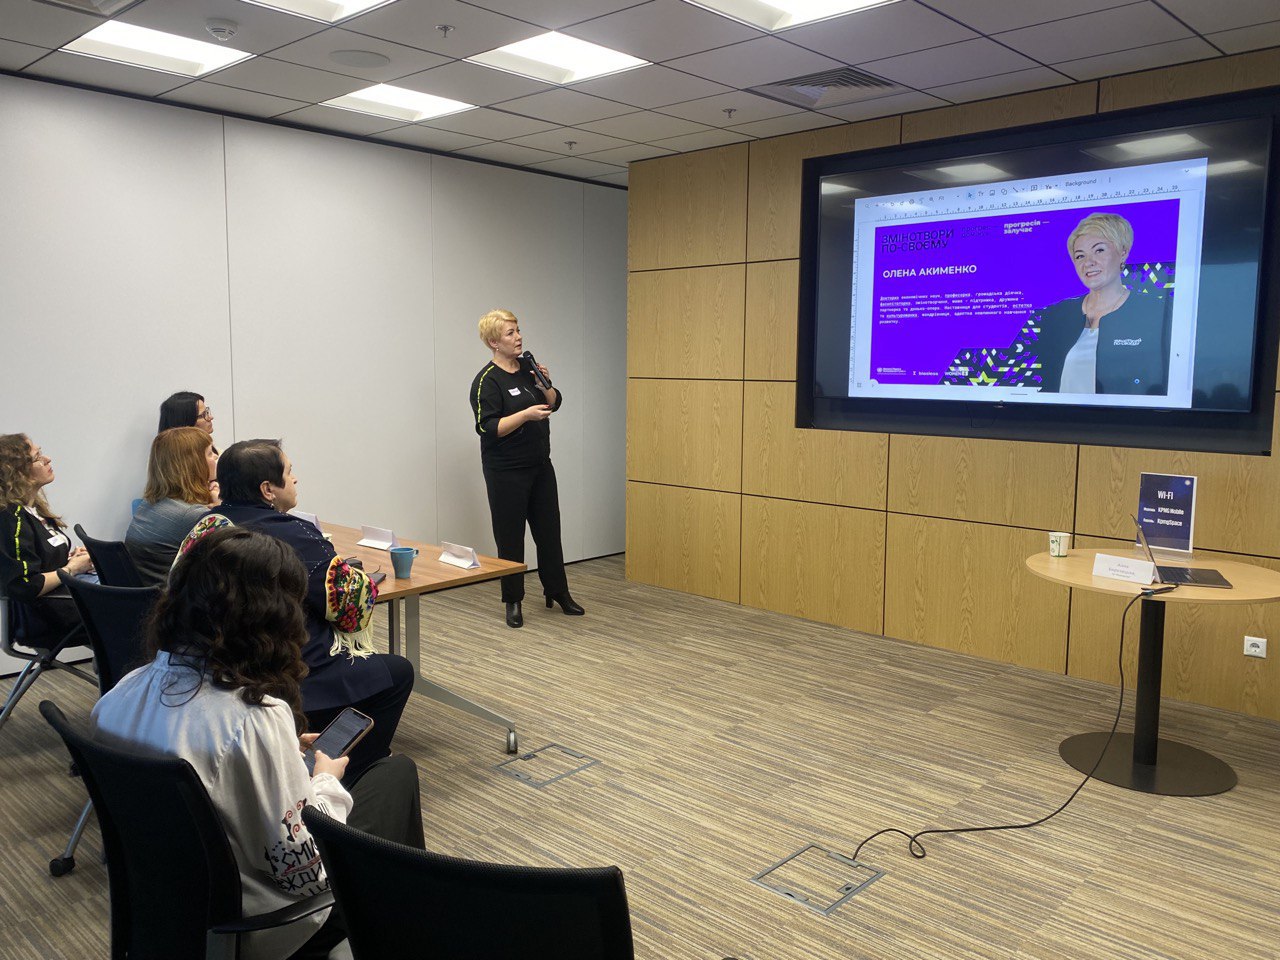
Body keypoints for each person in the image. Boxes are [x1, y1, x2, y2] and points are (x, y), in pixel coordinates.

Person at [90, 527, 424, 960]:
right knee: (394, 774)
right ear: (273, 618)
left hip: (170, 915)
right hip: (266, 927)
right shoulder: (253, 719)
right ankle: (401, 926)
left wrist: (283, 750)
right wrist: (324, 780)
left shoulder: (118, 697)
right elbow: (305, 875)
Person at [180, 439, 414, 783]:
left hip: (210, 669)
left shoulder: (205, 526)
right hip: (282, 670)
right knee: (397, 672)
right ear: (267, 489)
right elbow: (351, 606)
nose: (295, 479)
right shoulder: (295, 534)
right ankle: (350, 772)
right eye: (289, 472)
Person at [469, 309, 583, 629]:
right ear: (494, 342)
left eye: (518, 330)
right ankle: (513, 600)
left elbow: (554, 402)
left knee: (549, 532)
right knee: (511, 538)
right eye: (510, 333)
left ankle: (557, 591)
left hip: (540, 466)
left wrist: (544, 384)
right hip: (506, 472)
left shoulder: (527, 370)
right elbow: (488, 427)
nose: (518, 337)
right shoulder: (487, 381)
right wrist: (525, 416)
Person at [1034, 212, 1171, 395]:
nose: (1088, 263)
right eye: (1080, 256)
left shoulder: (1154, 312)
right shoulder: (1056, 315)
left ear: (1123, 253)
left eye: (1099, 250)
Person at [0, 434, 93, 641]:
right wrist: (71, 569)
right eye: (37, 457)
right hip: (47, 619)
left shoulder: (33, 510)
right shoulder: (10, 519)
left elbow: (40, 562)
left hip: (61, 601)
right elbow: (24, 585)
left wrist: (71, 560)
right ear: (18, 473)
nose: (47, 459)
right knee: (139, 612)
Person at [125, 427, 219, 585]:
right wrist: (220, 509)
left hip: (147, 593)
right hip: (171, 597)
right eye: (210, 453)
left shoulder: (148, 504)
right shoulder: (192, 515)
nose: (216, 456)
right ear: (193, 464)